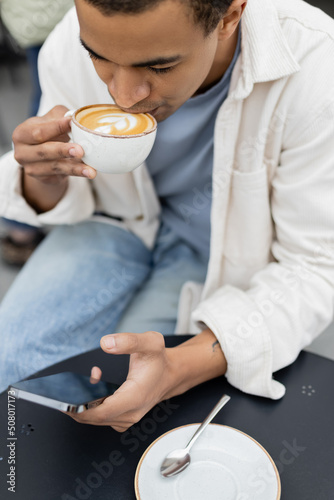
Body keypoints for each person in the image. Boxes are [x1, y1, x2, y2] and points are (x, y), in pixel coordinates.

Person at [0, 0, 333, 432]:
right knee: (12, 365)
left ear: (230, 15)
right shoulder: (69, 39)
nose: (121, 95)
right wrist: (43, 176)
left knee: (120, 399)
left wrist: (178, 368)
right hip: (112, 224)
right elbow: (70, 197)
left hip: (214, 251)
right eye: (98, 57)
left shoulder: (316, 66)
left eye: (158, 68)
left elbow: (315, 267)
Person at [0, 0, 73, 266]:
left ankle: (21, 226)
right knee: (47, 116)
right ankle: (21, 221)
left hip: (37, 14)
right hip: (54, 16)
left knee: (48, 110)